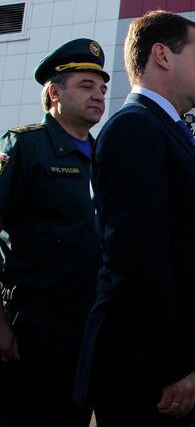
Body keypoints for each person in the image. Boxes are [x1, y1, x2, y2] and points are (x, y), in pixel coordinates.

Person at [73, 10, 195, 426]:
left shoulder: (160, 127)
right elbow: (137, 260)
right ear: (162, 55)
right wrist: (171, 364)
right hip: (148, 368)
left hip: (163, 361)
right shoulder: (136, 129)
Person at [0, 38, 109, 427]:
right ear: (54, 92)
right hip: (33, 328)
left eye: (102, 88)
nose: (98, 95)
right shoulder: (25, 147)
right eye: (86, 85)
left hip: (88, 328)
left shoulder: (103, 157)